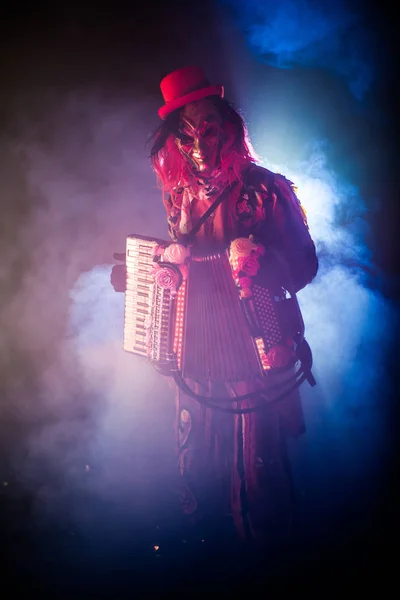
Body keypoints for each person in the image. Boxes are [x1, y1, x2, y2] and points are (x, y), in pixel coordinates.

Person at [111, 66, 318, 548]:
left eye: (208, 130)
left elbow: (305, 265)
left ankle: (267, 558)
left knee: (257, 462)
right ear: (172, 141)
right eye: (186, 136)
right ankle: (205, 556)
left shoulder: (267, 188)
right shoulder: (177, 192)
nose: (199, 146)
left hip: (258, 345)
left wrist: (264, 264)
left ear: (229, 127)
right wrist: (145, 274)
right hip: (195, 346)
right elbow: (178, 265)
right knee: (196, 454)